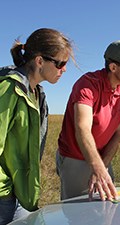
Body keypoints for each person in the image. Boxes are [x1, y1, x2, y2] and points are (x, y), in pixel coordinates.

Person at [56, 40, 120, 201]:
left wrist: (103, 165)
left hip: (101, 158)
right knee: (78, 210)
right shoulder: (87, 84)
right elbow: (82, 129)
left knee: (107, 204)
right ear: (113, 67)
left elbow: (117, 134)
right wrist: (97, 168)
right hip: (75, 156)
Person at [0, 28, 73, 225]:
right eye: (61, 63)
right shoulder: (8, 88)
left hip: (20, 194)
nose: (64, 69)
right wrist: (4, 190)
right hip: (4, 196)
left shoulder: (37, 94)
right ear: (40, 61)